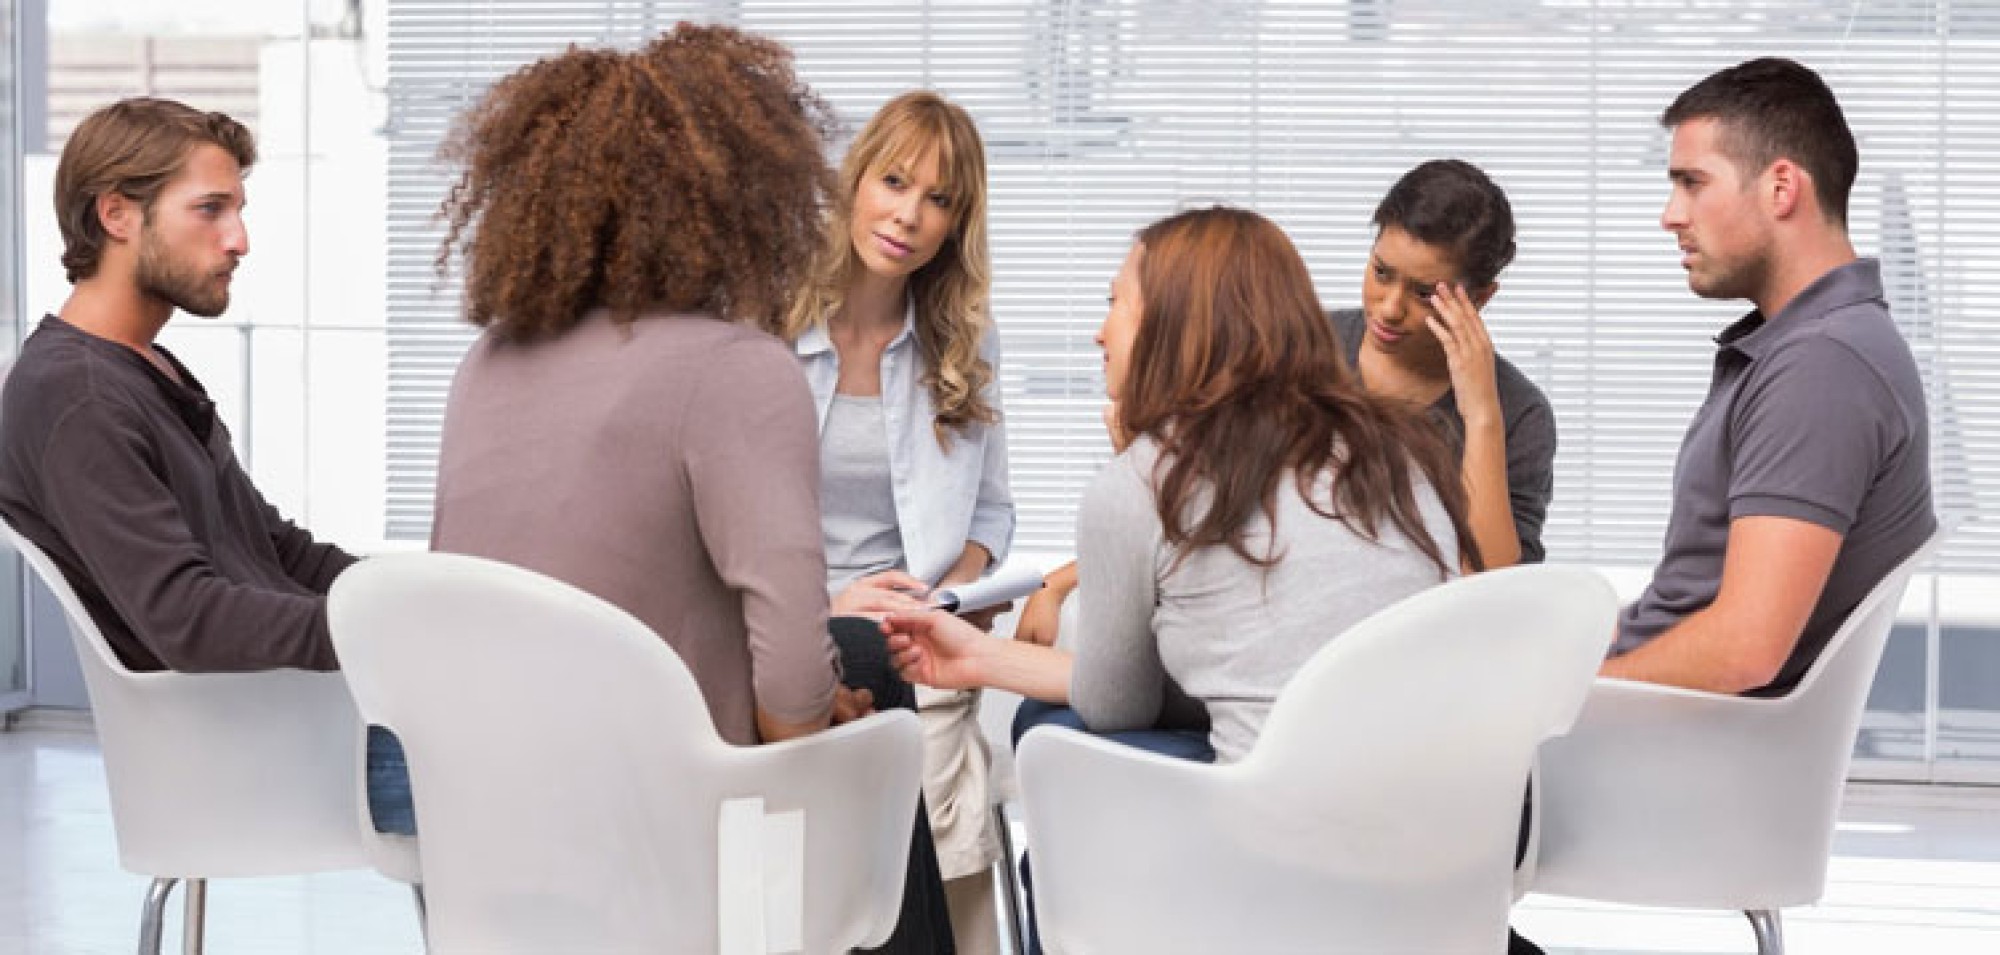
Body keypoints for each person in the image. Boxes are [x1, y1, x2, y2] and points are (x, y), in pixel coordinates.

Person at [421, 26, 950, 950]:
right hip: (670, 814)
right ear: (747, 200)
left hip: (480, 814)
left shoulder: (486, 362)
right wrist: (811, 713)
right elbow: (792, 690)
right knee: (864, 664)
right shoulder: (737, 368)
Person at [1013, 159, 1555, 649]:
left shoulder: (1518, 414)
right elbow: (1209, 510)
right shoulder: (1305, 346)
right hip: (1280, 635)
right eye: (1381, 272)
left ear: (1480, 297)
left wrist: (1481, 414)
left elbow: (1488, 584)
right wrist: (1058, 583)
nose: (1389, 308)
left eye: (1423, 293)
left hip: (1418, 655)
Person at [1604, 57, 1935, 696]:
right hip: (1638, 718)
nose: (1671, 215)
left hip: (1651, 736)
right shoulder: (1810, 347)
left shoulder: (1824, 367)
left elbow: (1744, 650)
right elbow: (1691, 606)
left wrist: (1561, 699)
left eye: (1693, 183)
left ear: (1781, 188)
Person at [0, 100, 356, 679]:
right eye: (210, 210)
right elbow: (187, 619)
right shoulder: (78, 395)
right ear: (117, 215)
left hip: (302, 704)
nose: (239, 240)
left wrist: (420, 599)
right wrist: (381, 633)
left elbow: (277, 551)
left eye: (237, 211)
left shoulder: (146, 368)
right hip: (263, 719)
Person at [783, 89, 1015, 953]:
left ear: (957, 224)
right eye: (893, 181)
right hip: (793, 630)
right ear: (854, 181)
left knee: (937, 805)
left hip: (918, 638)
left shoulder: (967, 341)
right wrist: (830, 606)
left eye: (939, 199)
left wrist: (947, 595)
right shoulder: (767, 323)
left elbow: (991, 509)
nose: (909, 215)